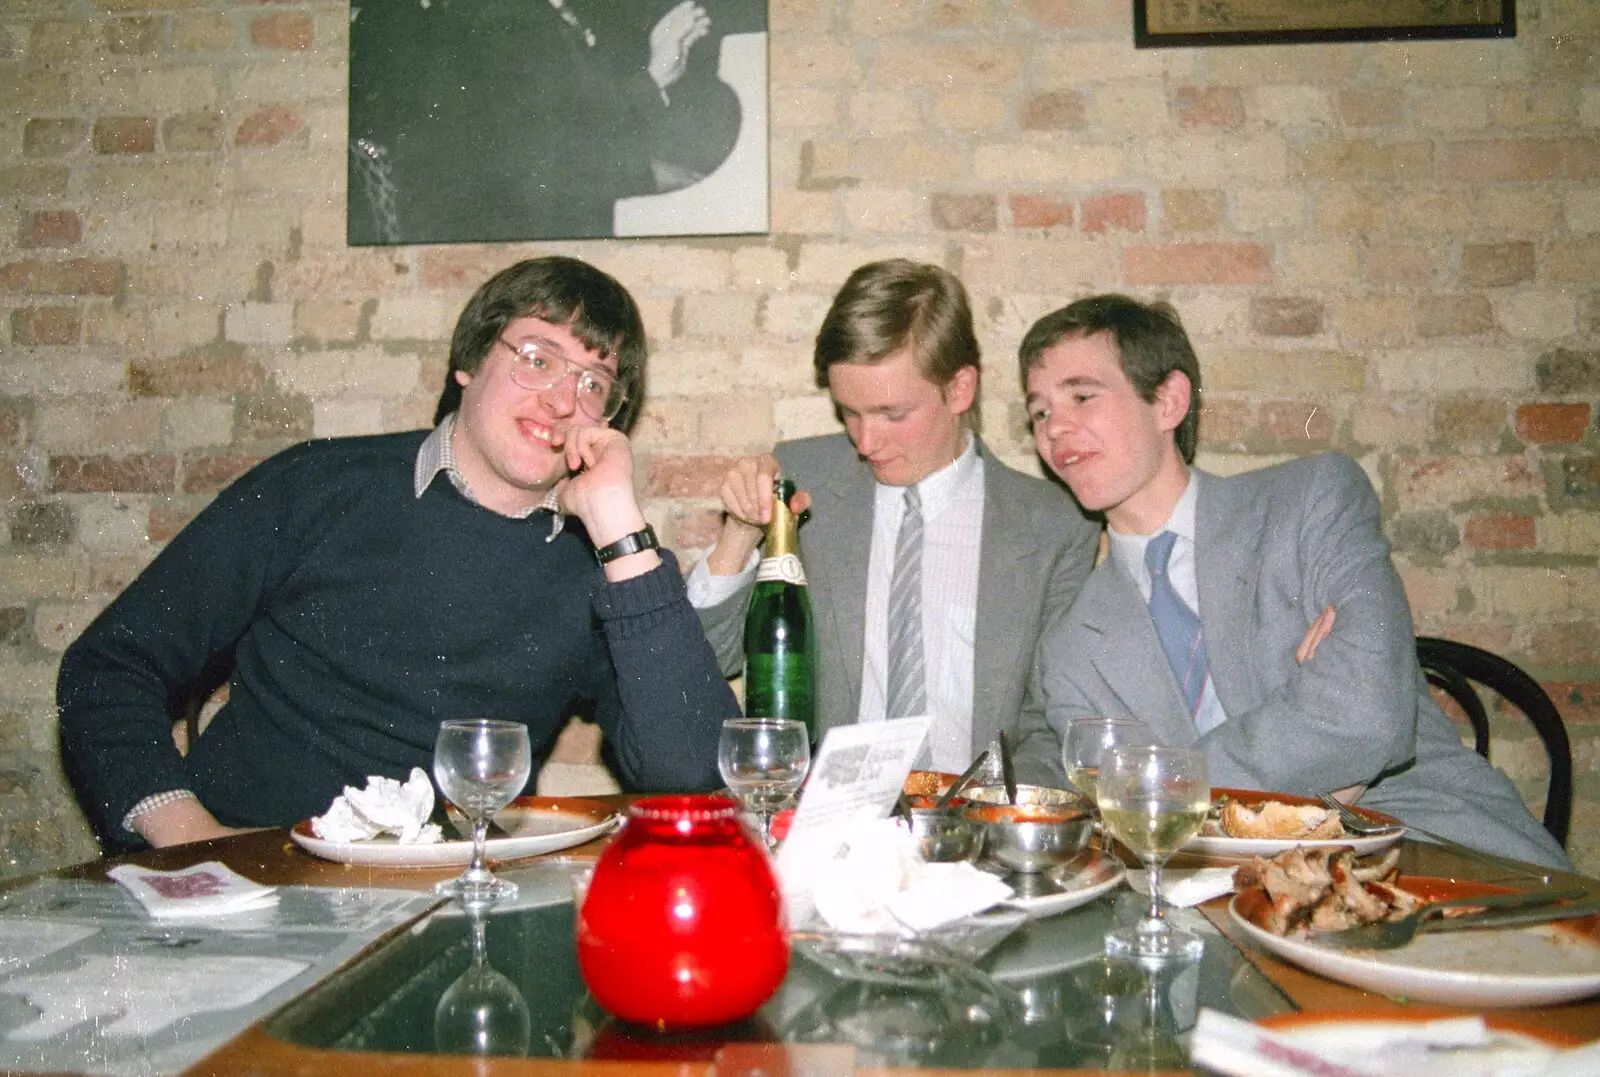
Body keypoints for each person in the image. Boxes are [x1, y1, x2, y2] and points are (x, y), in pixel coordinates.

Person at [58, 256, 738, 852]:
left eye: (594, 382)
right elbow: (109, 666)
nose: (563, 399)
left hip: (443, 897)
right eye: (537, 358)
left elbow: (690, 773)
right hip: (246, 865)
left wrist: (620, 524)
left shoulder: (602, 565)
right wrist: (188, 837)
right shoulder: (318, 486)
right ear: (468, 361)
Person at [1016, 293, 1570, 869]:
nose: (1057, 429)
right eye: (1039, 413)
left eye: (1082, 396)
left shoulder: (1310, 502)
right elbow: (1126, 823)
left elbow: (1365, 718)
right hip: (1217, 903)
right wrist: (1313, 746)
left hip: (1429, 851)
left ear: (1169, 401)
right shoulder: (1070, 648)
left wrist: (1171, 783)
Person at [689, 259, 1100, 780]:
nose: (865, 441)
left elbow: (1052, 725)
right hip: (826, 825)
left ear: (960, 389)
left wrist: (993, 823)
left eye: (891, 414)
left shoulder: (1055, 525)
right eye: (849, 412)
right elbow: (704, 663)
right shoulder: (804, 480)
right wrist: (739, 534)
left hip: (976, 830)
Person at [347, 0, 725, 245]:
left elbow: (577, 125)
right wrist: (654, 77)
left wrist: (656, 76)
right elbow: (549, 168)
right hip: (521, 241)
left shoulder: (543, 17)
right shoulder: (503, 23)